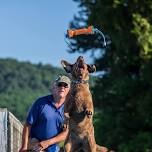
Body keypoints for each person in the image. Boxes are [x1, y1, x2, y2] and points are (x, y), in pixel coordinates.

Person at [19, 75, 71, 152]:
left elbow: (66, 132)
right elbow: (27, 125)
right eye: (59, 85)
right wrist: (24, 147)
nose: (62, 87)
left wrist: (48, 143)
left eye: (65, 85)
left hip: (53, 147)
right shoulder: (40, 103)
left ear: (69, 90)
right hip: (35, 142)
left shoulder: (69, 109)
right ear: (53, 88)